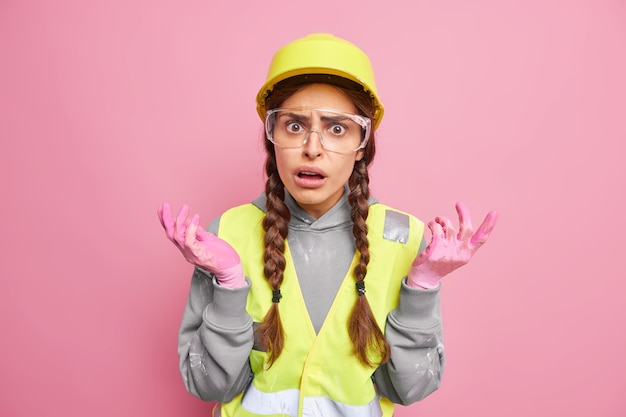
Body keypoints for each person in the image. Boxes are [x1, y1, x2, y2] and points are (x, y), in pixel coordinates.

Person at [157, 33, 498, 417]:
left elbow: (409, 389)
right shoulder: (226, 235)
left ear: (361, 146)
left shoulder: (406, 240)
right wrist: (230, 284)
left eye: (337, 128)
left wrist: (422, 286)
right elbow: (209, 387)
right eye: (294, 125)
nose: (313, 148)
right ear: (272, 139)